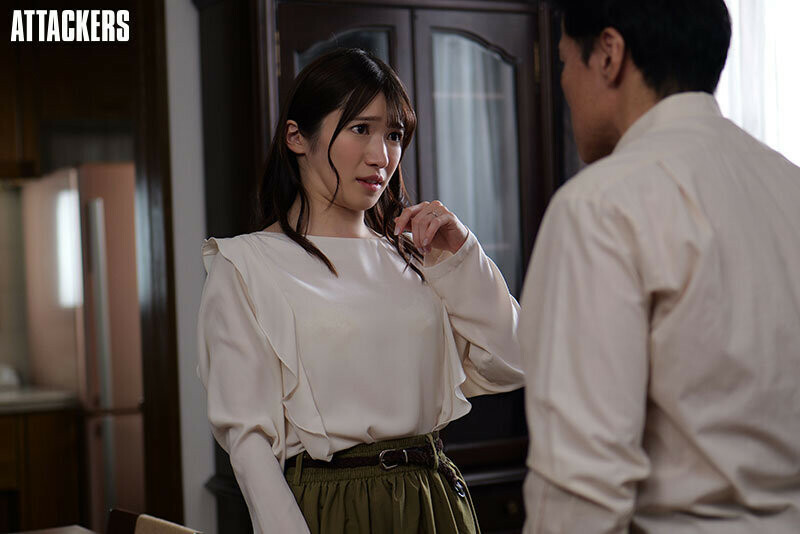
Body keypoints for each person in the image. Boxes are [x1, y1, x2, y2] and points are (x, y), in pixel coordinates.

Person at [197, 48, 523, 534]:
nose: (382, 157)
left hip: (435, 500)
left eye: (393, 134)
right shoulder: (246, 264)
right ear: (296, 137)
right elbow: (248, 444)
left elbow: (514, 362)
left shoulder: (417, 257)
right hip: (334, 507)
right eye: (360, 128)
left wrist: (460, 257)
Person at [519, 0, 800, 532]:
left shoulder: (599, 207)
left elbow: (581, 490)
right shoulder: (790, 187)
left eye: (563, 62)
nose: (564, 83)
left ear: (608, 55)